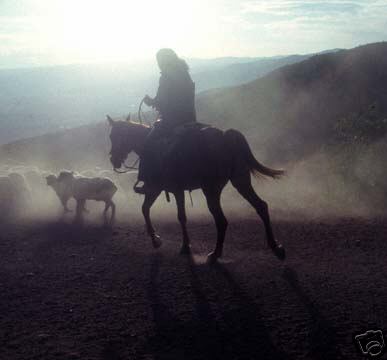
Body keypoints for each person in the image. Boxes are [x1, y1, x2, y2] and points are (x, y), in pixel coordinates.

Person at [134, 48, 197, 194]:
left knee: (147, 145)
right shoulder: (184, 73)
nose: (158, 64)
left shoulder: (166, 77)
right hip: (190, 119)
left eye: (159, 61)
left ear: (163, 61)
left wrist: (150, 101)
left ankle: (148, 182)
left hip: (172, 121)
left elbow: (162, 102)